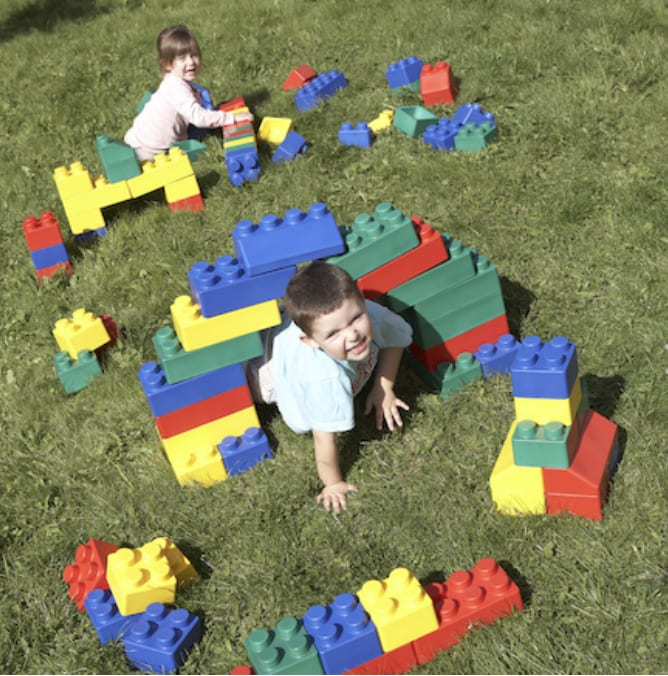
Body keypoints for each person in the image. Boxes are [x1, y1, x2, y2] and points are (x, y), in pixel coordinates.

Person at [247, 261, 413, 514]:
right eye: (334, 334)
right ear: (311, 341)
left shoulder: (369, 314)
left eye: (356, 318)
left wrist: (384, 388)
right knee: (244, 381)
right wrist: (333, 483)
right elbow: (323, 438)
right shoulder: (324, 379)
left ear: (360, 298)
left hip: (285, 335)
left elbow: (395, 340)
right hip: (267, 374)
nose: (352, 335)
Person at [124, 24, 253, 161]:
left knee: (205, 123)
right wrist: (231, 118)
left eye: (194, 55)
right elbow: (198, 117)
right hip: (152, 151)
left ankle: (215, 116)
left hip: (140, 138)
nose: (191, 62)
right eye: (182, 58)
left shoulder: (173, 80)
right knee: (202, 127)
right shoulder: (176, 88)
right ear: (167, 64)